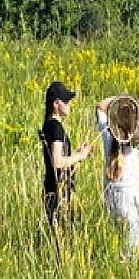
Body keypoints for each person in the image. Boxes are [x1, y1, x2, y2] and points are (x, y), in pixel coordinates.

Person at [95, 94, 139, 258]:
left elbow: (100, 106)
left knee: (116, 234)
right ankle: (129, 266)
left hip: (110, 192)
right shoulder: (133, 141)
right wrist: (138, 112)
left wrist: (118, 100)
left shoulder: (108, 136)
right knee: (133, 236)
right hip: (129, 195)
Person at [40, 81, 93, 230]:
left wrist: (75, 153)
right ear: (56, 104)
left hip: (52, 187)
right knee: (63, 235)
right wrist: (80, 156)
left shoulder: (48, 125)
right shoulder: (56, 128)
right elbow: (56, 162)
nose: (69, 104)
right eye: (66, 101)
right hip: (59, 190)